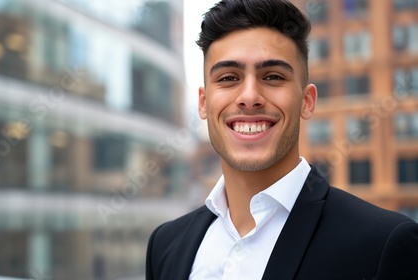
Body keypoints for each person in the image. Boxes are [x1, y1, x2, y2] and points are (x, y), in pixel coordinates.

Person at [145, 0, 418, 279]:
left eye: (273, 76)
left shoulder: (383, 245)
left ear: (307, 101)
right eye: (228, 78)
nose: (249, 97)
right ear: (203, 103)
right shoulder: (165, 245)